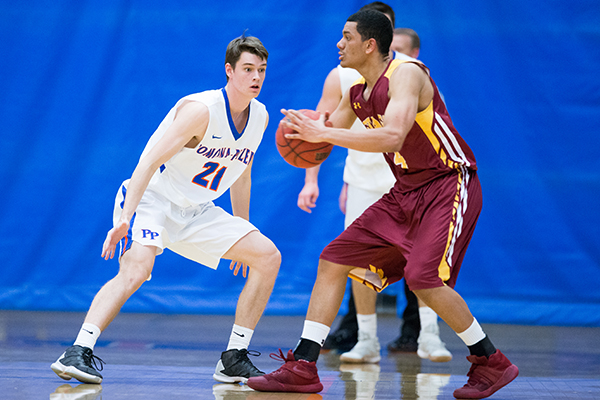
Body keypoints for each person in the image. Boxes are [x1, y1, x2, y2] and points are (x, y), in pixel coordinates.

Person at [248, 10, 518, 399]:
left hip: (448, 184)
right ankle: (303, 366)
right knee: (332, 258)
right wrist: (302, 135)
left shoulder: (407, 74)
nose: (338, 44)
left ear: (370, 44)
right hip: (405, 190)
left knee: (425, 280)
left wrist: (323, 131)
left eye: (346, 37)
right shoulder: (357, 91)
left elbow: (393, 136)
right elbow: (325, 134)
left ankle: (491, 361)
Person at [50, 34, 281, 386]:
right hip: (153, 200)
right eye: (248, 69)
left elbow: (242, 174)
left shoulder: (260, 117)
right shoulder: (200, 111)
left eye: (262, 70)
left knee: (267, 256)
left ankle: (233, 357)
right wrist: (125, 218)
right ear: (229, 71)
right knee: (137, 270)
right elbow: (147, 163)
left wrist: (241, 228)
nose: (256, 77)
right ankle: (77, 351)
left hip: (197, 208)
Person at [299, 4, 451, 364]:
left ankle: (429, 335)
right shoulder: (339, 76)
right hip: (363, 177)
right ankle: (365, 339)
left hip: (411, 178)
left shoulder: (403, 73)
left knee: (423, 260)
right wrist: (311, 178)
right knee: (352, 261)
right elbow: (319, 132)